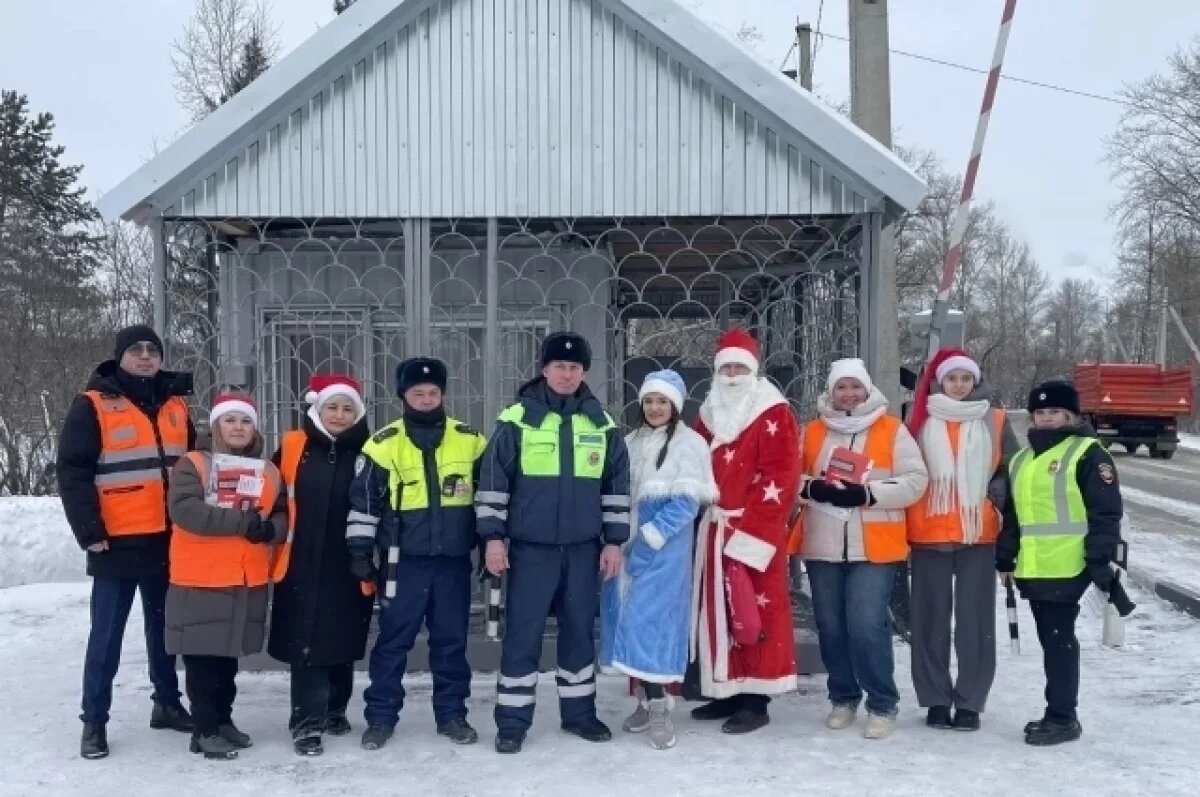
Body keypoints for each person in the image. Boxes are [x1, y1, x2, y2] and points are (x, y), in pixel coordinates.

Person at [477, 332, 630, 754]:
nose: (567, 374)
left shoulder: (601, 424)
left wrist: (614, 542)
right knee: (522, 635)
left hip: (583, 550)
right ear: (544, 370)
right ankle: (511, 721)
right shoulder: (517, 420)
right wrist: (493, 539)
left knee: (580, 632)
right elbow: (492, 485)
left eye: (575, 367)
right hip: (530, 551)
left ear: (584, 373)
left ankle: (580, 715)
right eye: (559, 366)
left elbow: (616, 489)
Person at [56, 324, 196, 759]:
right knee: (107, 638)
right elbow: (73, 472)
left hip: (166, 539)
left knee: (164, 632)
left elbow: (194, 466)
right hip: (115, 543)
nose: (145, 356)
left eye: (152, 349)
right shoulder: (92, 405)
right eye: (135, 350)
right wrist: (89, 532)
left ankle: (167, 703)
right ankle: (94, 721)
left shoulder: (174, 404)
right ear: (120, 357)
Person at [347, 357, 487, 751]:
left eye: (433, 393)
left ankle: (452, 715)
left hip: (453, 563)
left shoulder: (470, 439)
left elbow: (489, 500)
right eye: (417, 393)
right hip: (400, 564)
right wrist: (360, 552)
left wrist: (491, 543)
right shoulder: (382, 444)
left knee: (451, 643)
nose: (426, 399)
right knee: (393, 642)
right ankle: (380, 717)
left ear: (442, 394)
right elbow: (364, 506)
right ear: (403, 396)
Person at [795, 358, 928, 740]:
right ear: (831, 392)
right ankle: (843, 696)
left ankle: (882, 703)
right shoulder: (814, 430)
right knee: (831, 626)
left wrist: (868, 493)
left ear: (867, 390)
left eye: (855, 387)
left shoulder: (892, 429)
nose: (848, 394)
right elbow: (790, 476)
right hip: (822, 543)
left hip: (876, 545)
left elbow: (916, 481)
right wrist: (810, 488)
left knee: (867, 625)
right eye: (841, 387)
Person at [996, 380, 1123, 746]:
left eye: (1055, 411)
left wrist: (1099, 558)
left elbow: (1105, 512)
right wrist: (1005, 554)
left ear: (1070, 414)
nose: (1047, 418)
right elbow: (1015, 515)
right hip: (1034, 567)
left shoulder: (1088, 453)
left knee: (1058, 641)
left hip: (1069, 565)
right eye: (1040, 412)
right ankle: (1060, 713)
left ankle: (1063, 717)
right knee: (1053, 640)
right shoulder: (1023, 459)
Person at [688, 328, 801, 734]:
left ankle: (756, 700)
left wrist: (755, 534)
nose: (733, 374)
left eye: (740, 366)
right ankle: (727, 692)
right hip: (713, 528)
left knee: (755, 613)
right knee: (721, 613)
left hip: (753, 528)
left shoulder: (773, 413)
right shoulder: (707, 414)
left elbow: (782, 475)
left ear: (752, 370)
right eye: (726, 367)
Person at [599, 370, 718, 750]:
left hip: (664, 552)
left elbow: (685, 503)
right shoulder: (630, 441)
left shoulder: (690, 443)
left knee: (653, 626)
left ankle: (660, 708)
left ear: (676, 406)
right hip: (627, 544)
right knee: (630, 624)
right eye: (649, 401)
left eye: (662, 401)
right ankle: (644, 701)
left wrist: (652, 538)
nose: (654, 408)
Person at [165, 393, 288, 760]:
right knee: (202, 661)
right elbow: (185, 510)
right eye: (230, 420)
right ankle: (203, 729)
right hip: (201, 578)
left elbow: (282, 513)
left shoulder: (268, 470)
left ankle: (222, 721)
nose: (238, 428)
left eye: (245, 421)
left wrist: (271, 531)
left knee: (227, 661)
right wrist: (243, 522)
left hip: (245, 578)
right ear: (216, 425)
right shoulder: (193, 463)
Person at [905, 348, 1019, 732]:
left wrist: (994, 502)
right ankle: (936, 699)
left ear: (976, 381)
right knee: (929, 622)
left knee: (975, 624)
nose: (958, 385)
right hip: (926, 532)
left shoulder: (995, 419)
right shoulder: (917, 416)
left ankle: (970, 701)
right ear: (939, 381)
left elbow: (1011, 471)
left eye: (965, 379)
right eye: (952, 378)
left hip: (979, 534)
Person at [268, 374, 374, 756]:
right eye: (333, 407)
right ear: (317, 408)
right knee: (306, 641)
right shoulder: (293, 445)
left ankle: (335, 709)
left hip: (348, 560)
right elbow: (272, 493)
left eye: (348, 408)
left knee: (342, 638)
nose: (340, 415)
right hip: (300, 559)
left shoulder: (370, 449)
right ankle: (306, 722)